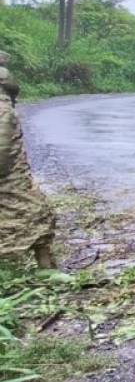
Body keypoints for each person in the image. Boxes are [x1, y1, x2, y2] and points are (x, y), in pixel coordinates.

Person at [0, 51, 57, 269]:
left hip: (11, 180)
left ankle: (44, 266)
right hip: (10, 183)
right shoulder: (4, 110)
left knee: (38, 215)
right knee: (34, 215)